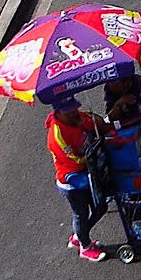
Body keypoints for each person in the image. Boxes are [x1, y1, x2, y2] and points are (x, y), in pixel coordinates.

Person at [48, 96, 108, 262]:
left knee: (100, 206)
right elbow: (72, 160)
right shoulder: (56, 135)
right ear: (59, 112)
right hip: (72, 180)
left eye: (74, 108)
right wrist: (92, 156)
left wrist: (93, 121)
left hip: (86, 171)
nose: (74, 113)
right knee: (80, 214)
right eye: (69, 111)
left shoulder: (77, 118)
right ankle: (85, 246)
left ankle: (80, 235)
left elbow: (92, 124)